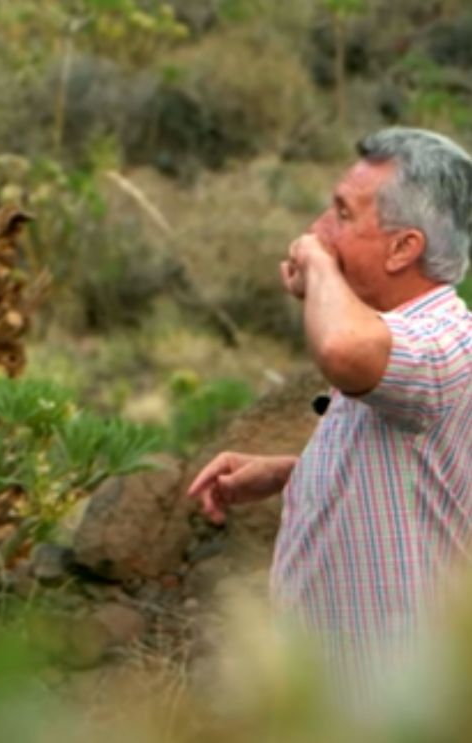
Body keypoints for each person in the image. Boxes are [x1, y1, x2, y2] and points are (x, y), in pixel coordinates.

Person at [187, 127, 472, 702]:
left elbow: (342, 350)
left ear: (403, 248)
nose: (317, 229)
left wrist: (318, 263)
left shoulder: (444, 343)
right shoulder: (398, 342)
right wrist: (294, 472)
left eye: (342, 214)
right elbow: (421, 476)